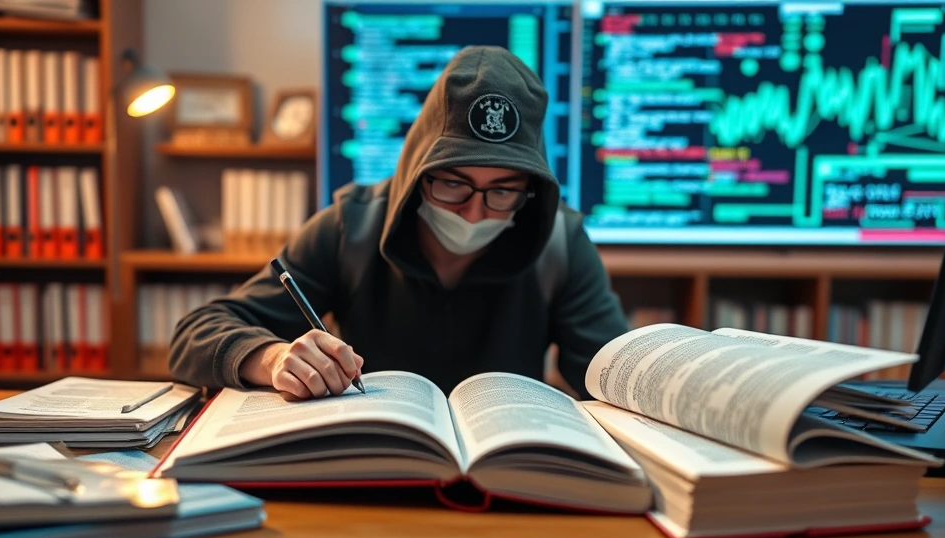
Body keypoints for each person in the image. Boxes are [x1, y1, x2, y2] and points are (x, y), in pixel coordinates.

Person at [168, 45, 628, 400]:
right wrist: (272, 358)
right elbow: (195, 335)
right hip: (375, 467)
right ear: (417, 173)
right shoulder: (351, 226)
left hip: (506, 473)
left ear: (532, 192)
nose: (473, 213)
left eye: (502, 191)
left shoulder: (560, 242)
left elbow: (614, 373)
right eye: (453, 184)